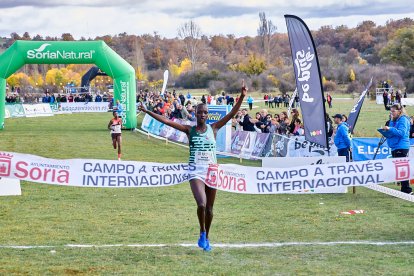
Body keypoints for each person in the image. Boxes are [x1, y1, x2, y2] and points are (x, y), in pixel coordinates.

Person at [139, 80, 248, 251]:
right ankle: (202, 231)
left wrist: (242, 96)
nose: (203, 115)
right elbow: (166, 121)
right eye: (200, 112)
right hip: (195, 172)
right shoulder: (189, 130)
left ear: (208, 114)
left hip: (212, 171)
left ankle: (207, 238)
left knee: (210, 210)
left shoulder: (214, 128)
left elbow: (232, 113)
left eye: (205, 113)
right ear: (195, 114)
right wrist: (148, 111)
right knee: (202, 204)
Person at [381, 104, 412, 194]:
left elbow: (401, 133)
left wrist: (390, 128)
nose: (392, 113)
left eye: (393, 111)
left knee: (402, 168)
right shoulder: (393, 120)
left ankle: (407, 190)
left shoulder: (403, 119)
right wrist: (385, 131)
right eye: (391, 111)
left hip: (401, 146)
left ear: (399, 111)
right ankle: (404, 189)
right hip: (394, 146)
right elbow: (391, 132)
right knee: (398, 169)